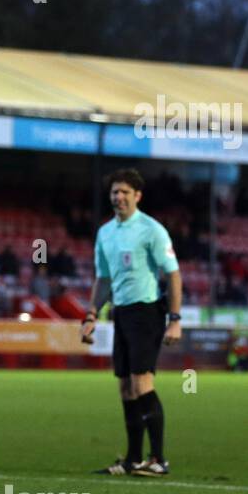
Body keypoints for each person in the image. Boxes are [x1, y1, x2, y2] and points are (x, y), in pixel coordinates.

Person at [81, 168, 182, 477]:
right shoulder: (105, 233)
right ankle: (133, 459)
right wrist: (91, 314)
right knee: (125, 387)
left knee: (142, 382)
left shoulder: (152, 230)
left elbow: (174, 274)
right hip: (121, 313)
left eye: (125, 191)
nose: (119, 196)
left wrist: (175, 319)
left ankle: (159, 459)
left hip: (148, 312)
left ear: (137, 196)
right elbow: (104, 278)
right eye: (115, 191)